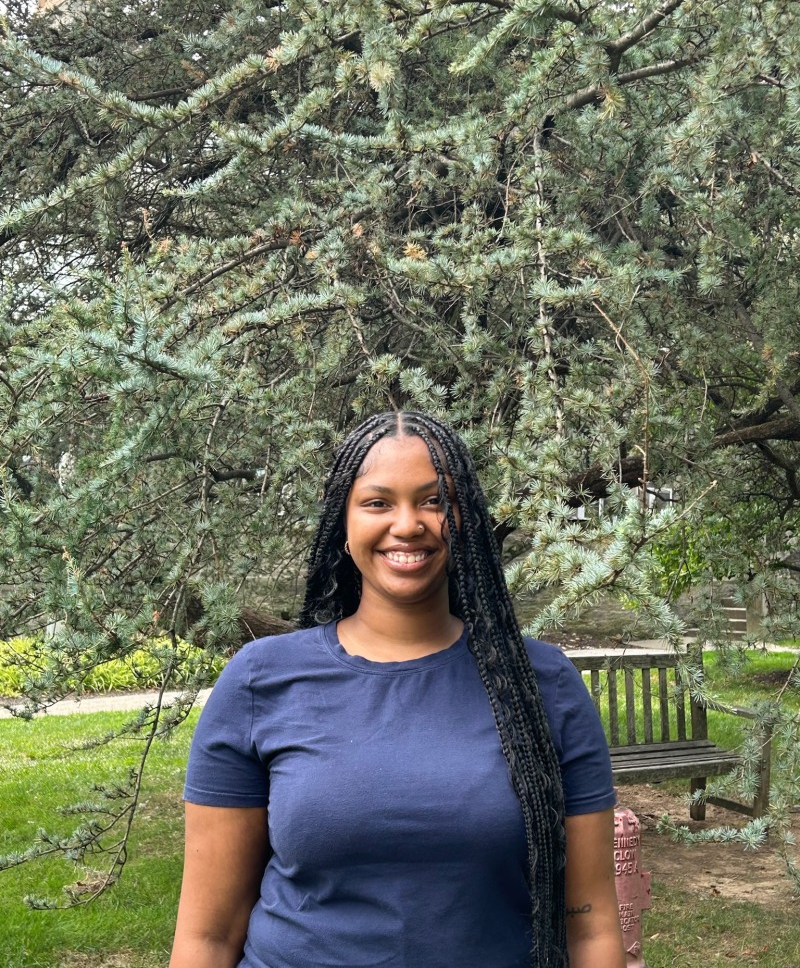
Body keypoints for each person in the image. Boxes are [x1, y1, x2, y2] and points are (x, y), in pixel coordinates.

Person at [170, 411, 626, 968]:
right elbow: (208, 937)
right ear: (344, 521)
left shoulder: (542, 685)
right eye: (378, 502)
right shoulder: (260, 681)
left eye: (435, 501)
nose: (408, 524)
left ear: (466, 520)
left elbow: (591, 927)